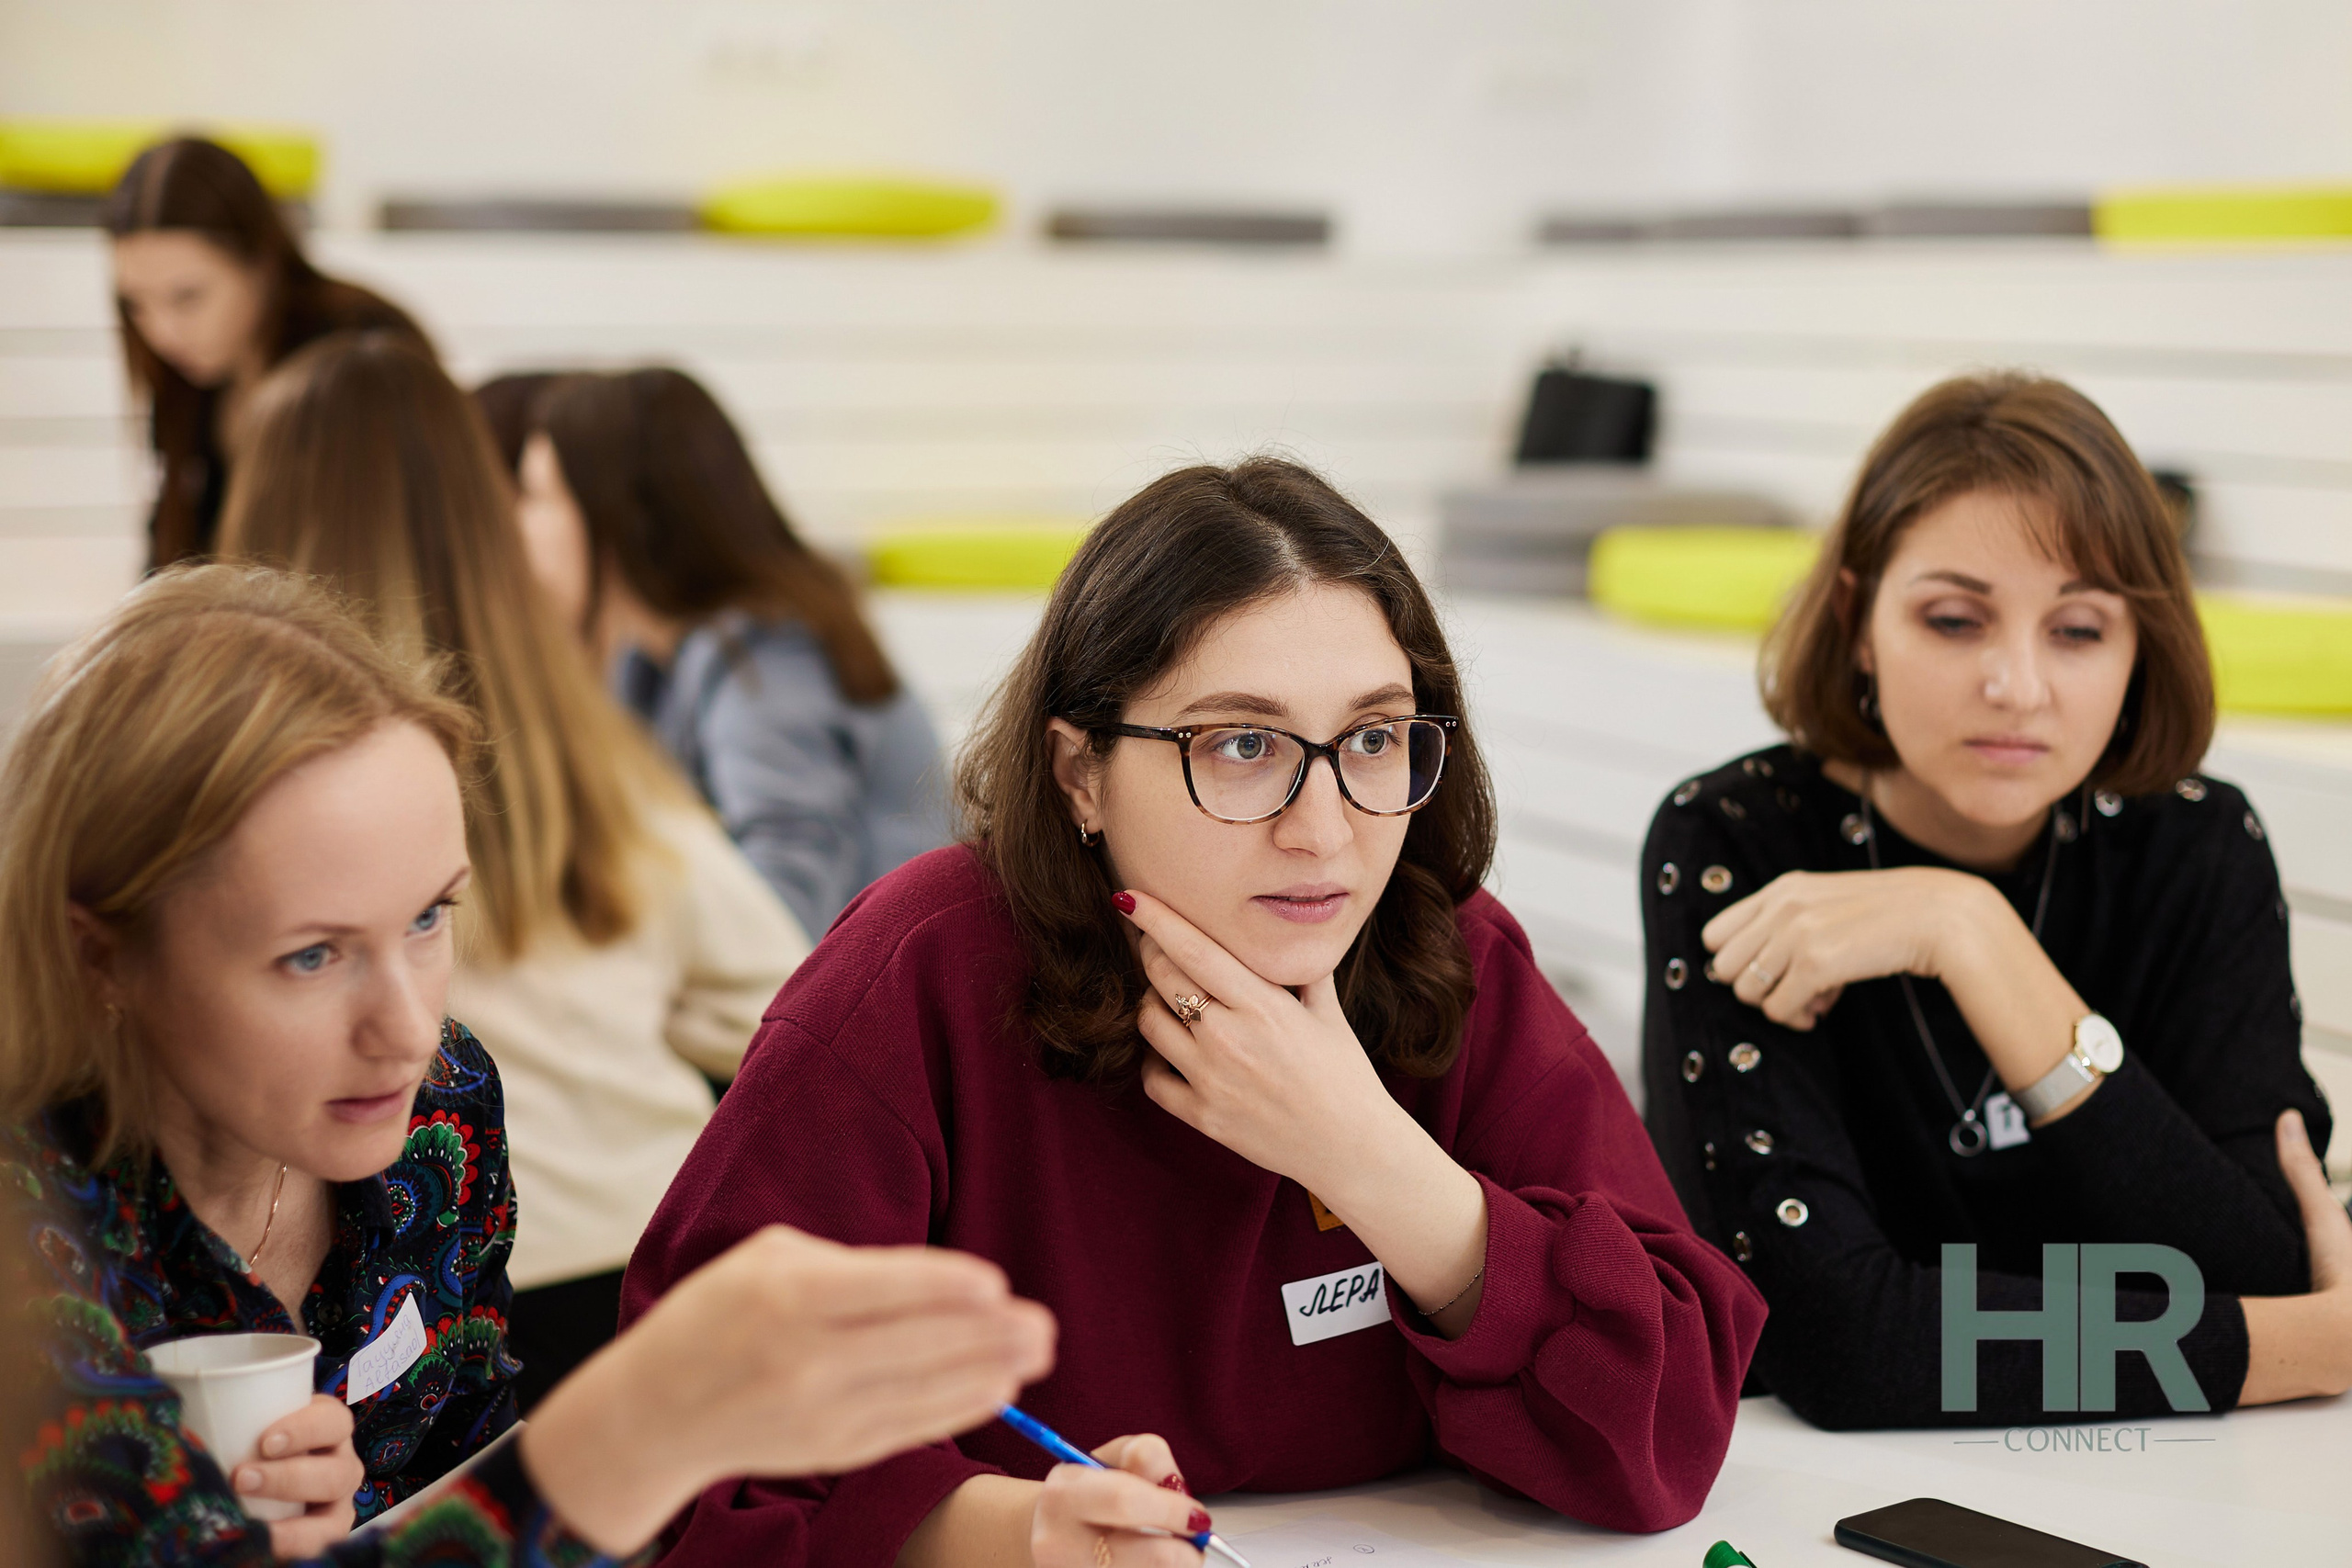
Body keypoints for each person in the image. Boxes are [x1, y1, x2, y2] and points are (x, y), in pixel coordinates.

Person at [621, 457, 1769, 1566]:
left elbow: (1665, 1433)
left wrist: (1368, 1157)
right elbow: (680, 1433)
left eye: (1371, 739)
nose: (1323, 828)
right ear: (1080, 775)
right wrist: (1011, 1537)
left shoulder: (1448, 951)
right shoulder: (921, 969)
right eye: (1240, 745)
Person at [3, 564, 1057, 1567]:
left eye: (428, 917)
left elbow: (466, 1477)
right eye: (311, 956)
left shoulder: (438, 1118)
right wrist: (637, 1423)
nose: (408, 1028)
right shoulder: (33, 1212)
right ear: (103, 955)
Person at [1640, 372, 2352, 1429]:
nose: (2017, 686)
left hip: (2184, 1494)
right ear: (1860, 619)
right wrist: (2299, 1350)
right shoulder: (1733, 843)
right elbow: (1833, 1342)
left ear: (2137, 646)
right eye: (1954, 619)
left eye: (2077, 631)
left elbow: (2253, 1257)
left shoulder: (2197, 844)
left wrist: (1968, 933)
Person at [217, 334, 809, 1413]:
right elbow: (789, 1001)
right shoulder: (592, 763)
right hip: (646, 1255)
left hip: (423, 1294)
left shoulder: (238, 779)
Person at [516, 367, 949, 937]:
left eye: (539, 498)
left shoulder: (767, 663)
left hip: (880, 1004)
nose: (518, 528)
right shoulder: (648, 666)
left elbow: (782, 922)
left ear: (618, 519)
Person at [103, 137, 432, 569]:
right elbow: (175, 550)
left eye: (187, 297)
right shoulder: (192, 378)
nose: (162, 333)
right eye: (136, 304)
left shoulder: (361, 346)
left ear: (261, 263)